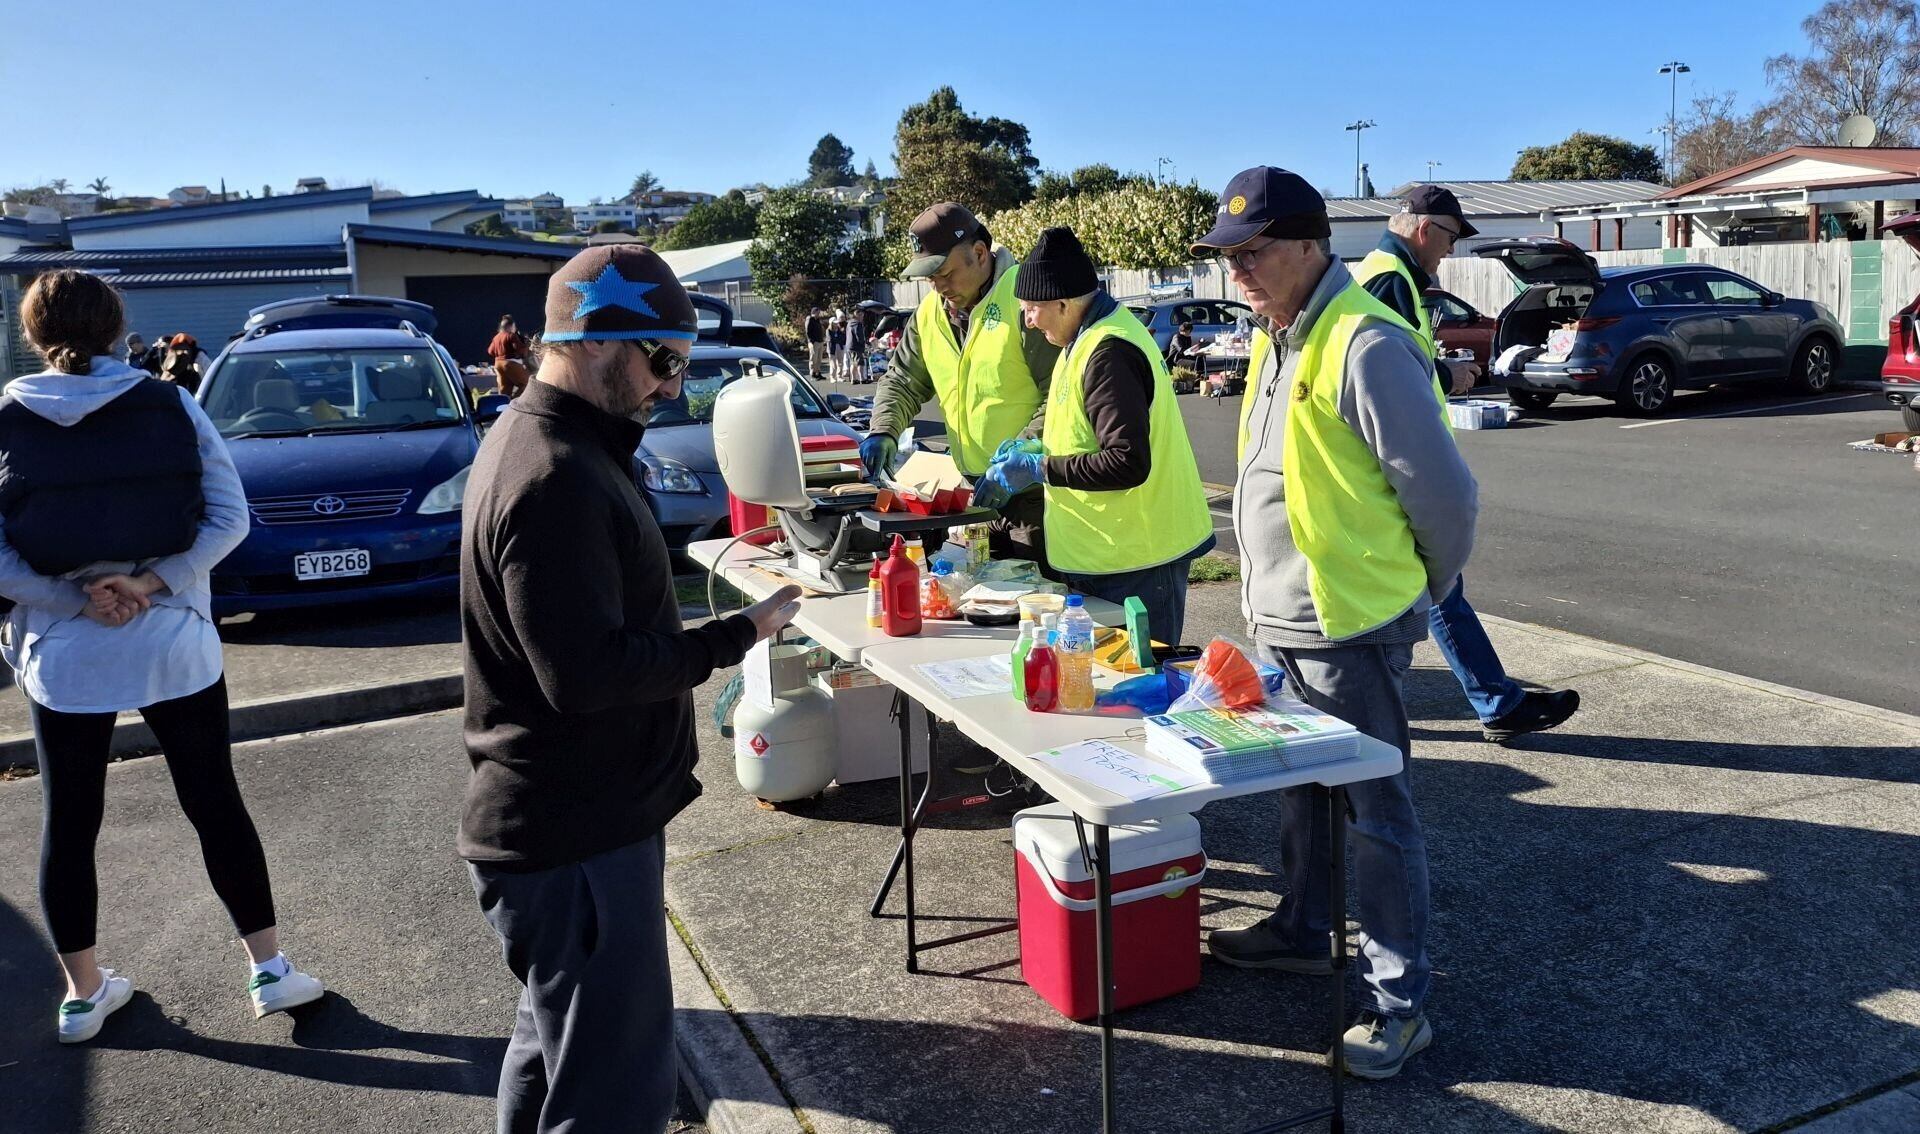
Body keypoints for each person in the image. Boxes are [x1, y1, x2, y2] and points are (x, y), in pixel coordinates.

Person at [460, 245, 803, 1134]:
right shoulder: (554, 475)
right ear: (601, 342)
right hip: (574, 836)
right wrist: (738, 634)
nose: (669, 387)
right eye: (665, 360)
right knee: (614, 1098)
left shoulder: (549, 441)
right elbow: (586, 676)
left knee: (552, 1053)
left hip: (560, 833)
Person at [1196, 167, 1478, 1079]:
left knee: (1376, 814)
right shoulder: (1281, 334)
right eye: (1228, 254)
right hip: (1287, 620)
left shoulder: (1365, 342)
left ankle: (1400, 1001)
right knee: (1301, 789)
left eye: (1255, 249)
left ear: (1313, 244)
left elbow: (1444, 495)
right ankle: (1301, 925)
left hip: (1350, 623)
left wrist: (1416, 593)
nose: (1238, 267)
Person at [0, 270, 323, 1045]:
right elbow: (229, 516)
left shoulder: (7, 414)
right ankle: (270, 971)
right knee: (215, 804)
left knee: (69, 824)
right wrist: (149, 581)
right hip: (172, 639)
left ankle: (82, 994)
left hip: (66, 650)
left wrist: (77, 597)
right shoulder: (169, 401)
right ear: (117, 329)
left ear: (35, 335)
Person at [1355, 186, 1581, 745]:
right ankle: (1491, 704)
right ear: (1425, 228)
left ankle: (1493, 700)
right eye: (1451, 238)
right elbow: (1383, 368)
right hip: (1395, 456)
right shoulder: (1389, 277)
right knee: (1436, 582)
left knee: (1436, 587)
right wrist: (1444, 376)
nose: (1450, 253)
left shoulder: (1387, 273)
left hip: (1387, 452)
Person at [975, 227, 1213, 642]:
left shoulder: (1109, 351)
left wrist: (1041, 467)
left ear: (1064, 303)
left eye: (1031, 308)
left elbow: (1126, 460)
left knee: (1137, 690)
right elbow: (1083, 427)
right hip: (1107, 558)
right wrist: (1037, 444)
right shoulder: (1079, 340)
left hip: (1136, 562)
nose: (1028, 322)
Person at [865, 202, 1062, 567]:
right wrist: (884, 430)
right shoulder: (929, 314)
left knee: (1038, 607)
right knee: (978, 606)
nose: (939, 286)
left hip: (1035, 497)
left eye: (945, 272)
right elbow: (904, 380)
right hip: (973, 496)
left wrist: (1021, 460)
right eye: (930, 277)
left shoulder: (1026, 302)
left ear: (979, 252)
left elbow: (1062, 396)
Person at [487, 314, 532, 399]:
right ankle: (514, 402)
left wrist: (500, 354)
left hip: (498, 364)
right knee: (527, 384)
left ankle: (503, 406)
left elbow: (490, 351)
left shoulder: (496, 337)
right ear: (511, 326)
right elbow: (519, 350)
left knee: (505, 390)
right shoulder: (511, 335)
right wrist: (526, 345)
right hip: (510, 363)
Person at [843, 307, 868, 382]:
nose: (862, 317)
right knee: (860, 362)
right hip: (856, 346)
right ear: (857, 315)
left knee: (853, 362)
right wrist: (863, 344)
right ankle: (862, 378)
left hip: (849, 346)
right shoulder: (857, 323)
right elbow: (859, 335)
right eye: (861, 315)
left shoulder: (850, 322)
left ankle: (853, 379)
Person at [804, 306, 828, 378]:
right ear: (813, 312)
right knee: (813, 358)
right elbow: (808, 331)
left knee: (819, 359)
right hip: (814, 342)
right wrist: (811, 341)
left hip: (820, 341)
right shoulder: (810, 320)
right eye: (817, 312)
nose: (818, 314)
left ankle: (818, 372)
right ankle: (812, 372)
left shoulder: (818, 320)